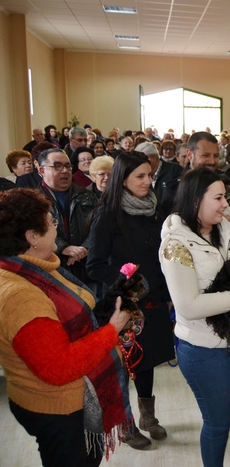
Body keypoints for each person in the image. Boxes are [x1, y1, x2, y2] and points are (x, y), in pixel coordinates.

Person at [0, 188, 134, 467]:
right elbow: (57, 368)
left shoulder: (39, 267)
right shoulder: (20, 294)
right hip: (55, 408)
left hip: (66, 399)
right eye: (51, 223)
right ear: (32, 237)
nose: (56, 228)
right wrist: (111, 330)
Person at [159, 168, 230, 467]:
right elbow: (189, 306)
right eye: (218, 198)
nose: (225, 204)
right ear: (195, 201)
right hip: (204, 348)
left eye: (225, 197)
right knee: (218, 424)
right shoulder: (175, 244)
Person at [86, 151, 175, 449]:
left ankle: (148, 417)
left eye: (150, 175)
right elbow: (95, 264)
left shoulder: (154, 209)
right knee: (123, 366)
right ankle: (125, 424)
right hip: (125, 305)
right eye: (140, 176)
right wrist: (133, 284)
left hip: (155, 300)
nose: (148, 181)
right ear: (122, 179)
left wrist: (166, 293)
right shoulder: (108, 213)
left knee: (146, 360)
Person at [37, 148, 99, 286]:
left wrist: (84, 248)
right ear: (42, 170)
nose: (64, 171)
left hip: (88, 268)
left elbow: (99, 226)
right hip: (53, 272)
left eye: (67, 166)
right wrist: (63, 248)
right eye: (57, 166)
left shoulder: (87, 195)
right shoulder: (33, 201)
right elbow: (35, 232)